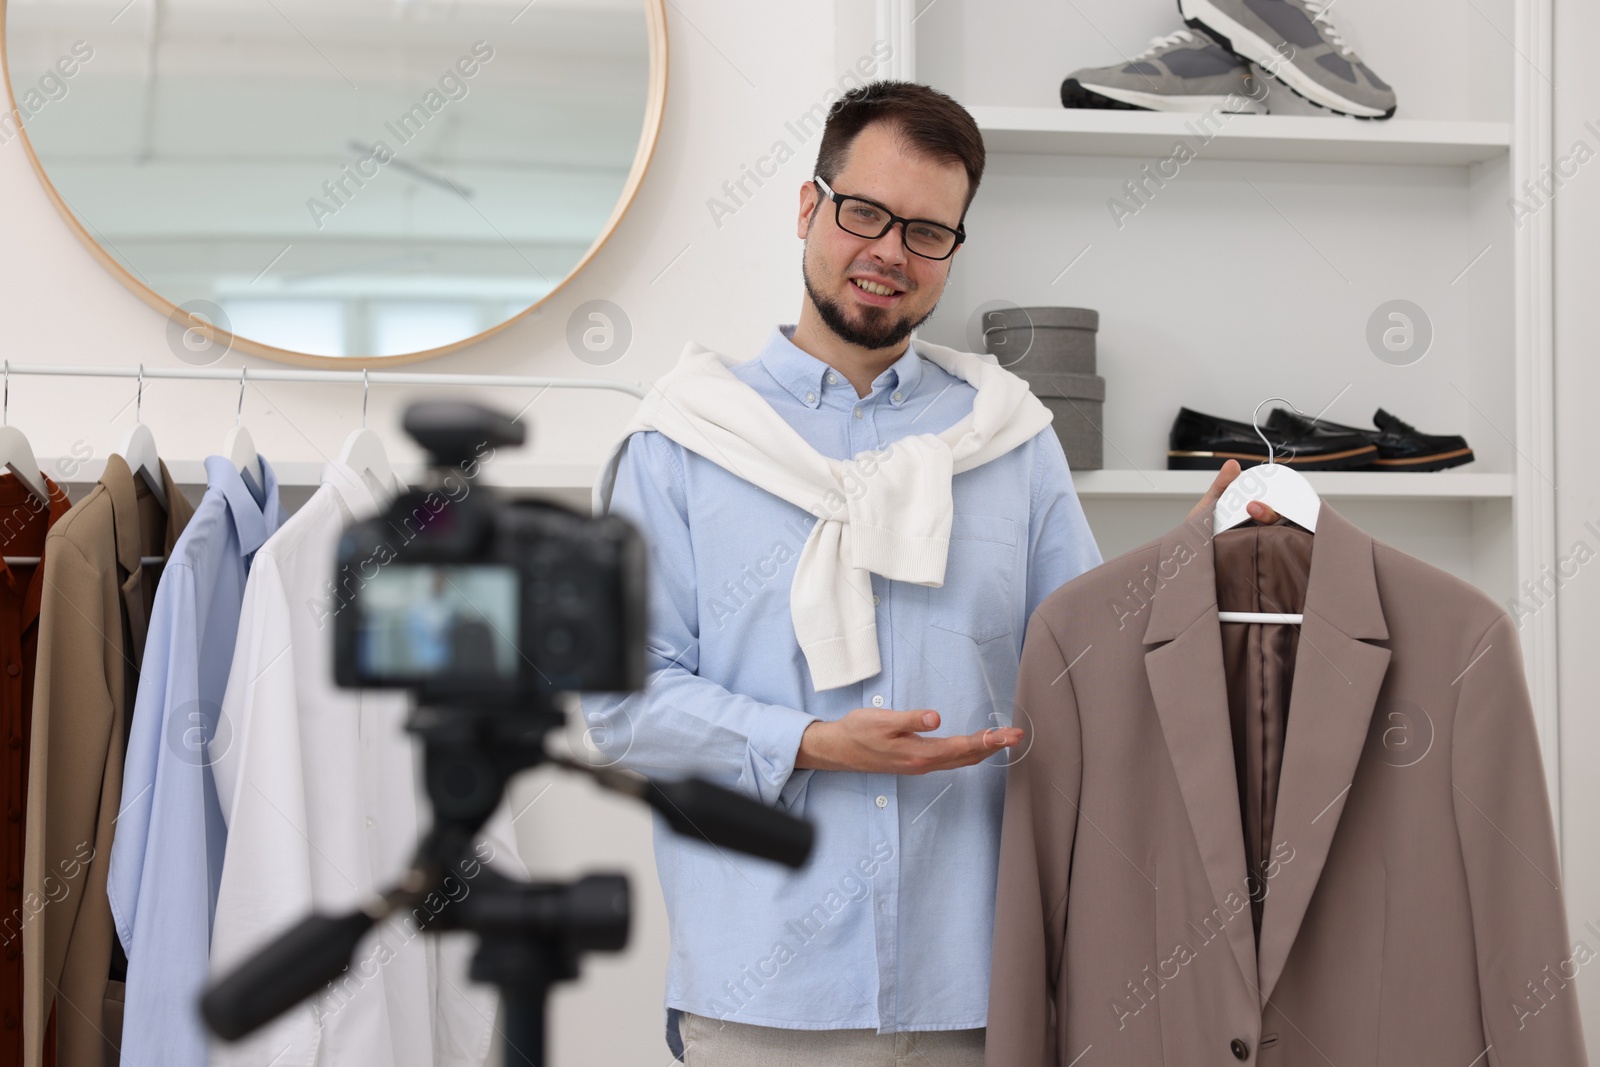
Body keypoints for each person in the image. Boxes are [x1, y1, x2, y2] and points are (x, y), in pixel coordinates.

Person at [582, 79, 1276, 1066]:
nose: (887, 252)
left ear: (952, 248)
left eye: (925, 231)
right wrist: (813, 742)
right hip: (762, 996)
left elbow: (1086, 668)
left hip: (981, 989)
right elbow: (619, 700)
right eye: (863, 211)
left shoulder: (1007, 438)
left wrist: (1186, 578)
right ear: (806, 206)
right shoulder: (684, 443)